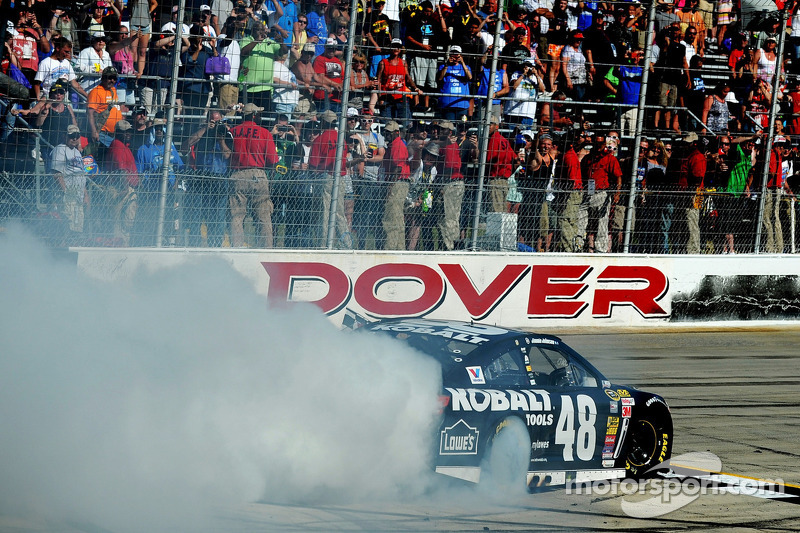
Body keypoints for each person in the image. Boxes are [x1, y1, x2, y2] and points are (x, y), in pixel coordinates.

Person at [228, 103, 280, 248]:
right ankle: (265, 249)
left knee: (237, 216)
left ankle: (237, 248)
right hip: (258, 174)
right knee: (263, 215)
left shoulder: (233, 131)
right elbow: (272, 160)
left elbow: (226, 155)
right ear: (255, 115)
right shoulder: (264, 133)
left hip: (238, 174)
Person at [182, 109, 233, 246]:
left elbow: (228, 155)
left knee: (218, 217)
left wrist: (220, 139)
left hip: (219, 179)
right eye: (213, 122)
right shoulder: (201, 133)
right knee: (196, 215)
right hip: (201, 178)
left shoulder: (226, 134)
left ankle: (215, 245)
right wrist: (205, 129)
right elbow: (185, 146)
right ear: (207, 121)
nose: (215, 125)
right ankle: (194, 245)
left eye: (218, 122)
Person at [135, 123, 185, 245]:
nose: (159, 131)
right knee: (152, 219)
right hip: (152, 191)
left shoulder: (171, 149)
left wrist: (176, 183)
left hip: (170, 190)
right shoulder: (144, 149)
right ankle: (150, 242)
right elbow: (139, 173)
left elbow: (181, 168)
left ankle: (168, 242)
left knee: (170, 218)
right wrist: (145, 189)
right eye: (156, 129)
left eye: (161, 129)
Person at [309, 109, 349, 247]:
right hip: (340, 177)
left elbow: (313, 165)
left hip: (324, 177)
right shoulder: (341, 138)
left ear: (324, 122)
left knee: (324, 213)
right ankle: (346, 244)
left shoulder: (320, 139)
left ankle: (324, 244)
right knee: (339, 212)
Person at [580, 131, 622, 253]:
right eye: (596, 143)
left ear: (605, 143)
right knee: (582, 219)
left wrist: (617, 193)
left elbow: (618, 176)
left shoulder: (610, 158)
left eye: (601, 143)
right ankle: (579, 243)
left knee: (602, 223)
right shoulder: (589, 158)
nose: (598, 146)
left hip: (602, 193)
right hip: (588, 192)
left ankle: (601, 248)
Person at [353, 110, 386, 249]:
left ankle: (375, 244)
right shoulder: (355, 136)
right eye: (364, 120)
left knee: (373, 214)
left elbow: (381, 156)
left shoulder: (378, 137)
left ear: (373, 122)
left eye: (369, 120)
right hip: (361, 179)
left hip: (374, 180)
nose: (366, 123)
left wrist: (367, 158)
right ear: (360, 121)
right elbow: (354, 156)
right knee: (361, 214)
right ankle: (360, 244)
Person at [105, 119, 140, 246]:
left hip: (125, 188)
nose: (128, 134)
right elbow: (121, 170)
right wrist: (125, 188)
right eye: (125, 132)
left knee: (125, 223)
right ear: (118, 133)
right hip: (121, 188)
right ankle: (119, 249)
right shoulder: (118, 146)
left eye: (129, 131)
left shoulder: (123, 146)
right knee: (120, 223)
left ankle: (124, 247)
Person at [50, 124, 88, 236]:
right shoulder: (60, 149)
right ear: (64, 136)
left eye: (76, 135)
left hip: (79, 198)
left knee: (78, 230)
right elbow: (57, 174)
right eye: (71, 136)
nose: (74, 138)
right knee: (68, 228)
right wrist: (66, 192)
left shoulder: (77, 152)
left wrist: (86, 195)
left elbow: (81, 175)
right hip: (68, 196)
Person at [376, 38, 420, 126]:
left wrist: (416, 88)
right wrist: (380, 97)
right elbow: (378, 80)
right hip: (386, 97)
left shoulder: (403, 63)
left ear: (400, 49)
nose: (396, 49)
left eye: (398, 47)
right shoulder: (383, 63)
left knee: (405, 124)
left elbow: (408, 77)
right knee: (387, 124)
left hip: (401, 98)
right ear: (390, 48)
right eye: (394, 47)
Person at [381, 120, 411, 249]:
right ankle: (399, 247)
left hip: (396, 183)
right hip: (399, 182)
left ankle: (391, 247)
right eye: (385, 132)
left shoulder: (397, 145)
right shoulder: (394, 144)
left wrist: (389, 187)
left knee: (391, 217)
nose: (386, 135)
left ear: (396, 133)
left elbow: (397, 168)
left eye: (389, 133)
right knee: (398, 218)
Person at [436, 121, 464, 251]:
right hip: (451, 182)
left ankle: (451, 247)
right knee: (446, 217)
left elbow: (451, 166)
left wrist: (442, 183)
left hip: (451, 183)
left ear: (450, 132)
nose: (441, 131)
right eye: (440, 129)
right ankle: (449, 245)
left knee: (450, 217)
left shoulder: (450, 146)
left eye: (444, 130)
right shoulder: (445, 145)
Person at [33, 37, 88, 101]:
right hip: (50, 99)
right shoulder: (45, 63)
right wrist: (38, 98)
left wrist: (87, 96)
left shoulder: (66, 63)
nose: (67, 54)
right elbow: (37, 83)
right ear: (58, 48)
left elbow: (74, 83)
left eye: (69, 52)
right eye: (66, 52)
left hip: (64, 100)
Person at [87, 66, 123, 147]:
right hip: (102, 133)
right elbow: (90, 113)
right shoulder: (96, 92)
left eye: (114, 78)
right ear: (103, 78)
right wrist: (94, 131)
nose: (112, 80)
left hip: (115, 133)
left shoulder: (113, 90)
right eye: (110, 78)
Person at [486, 115, 515, 213]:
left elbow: (488, 159)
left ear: (497, 126)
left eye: (491, 124)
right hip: (504, 180)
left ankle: (496, 229)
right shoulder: (504, 140)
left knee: (496, 211)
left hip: (496, 178)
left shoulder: (494, 139)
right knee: (502, 211)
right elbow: (514, 157)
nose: (488, 126)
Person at [437, 45, 472, 121]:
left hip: (462, 104)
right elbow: (440, 78)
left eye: (457, 55)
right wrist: (447, 64)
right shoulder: (443, 66)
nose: (455, 57)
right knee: (449, 128)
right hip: (448, 104)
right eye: (453, 54)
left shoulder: (466, 67)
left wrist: (462, 62)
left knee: (462, 129)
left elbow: (470, 77)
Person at [312, 38, 345, 112]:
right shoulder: (319, 59)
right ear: (325, 47)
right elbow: (320, 77)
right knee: (324, 120)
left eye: (333, 49)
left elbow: (342, 78)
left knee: (336, 121)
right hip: (322, 97)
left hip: (336, 98)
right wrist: (335, 84)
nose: (331, 51)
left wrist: (341, 85)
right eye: (329, 48)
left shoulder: (338, 61)